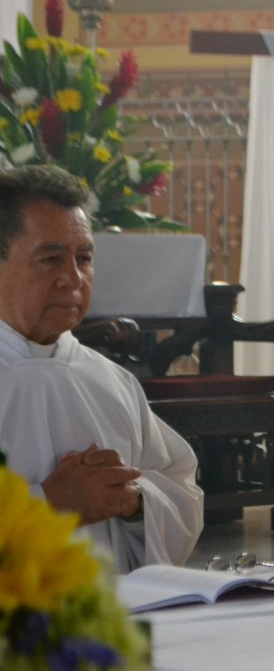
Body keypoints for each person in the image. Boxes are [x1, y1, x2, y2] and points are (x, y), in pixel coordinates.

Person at [0, 165, 203, 573]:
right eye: (51, 259)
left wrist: (134, 501)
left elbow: (180, 488)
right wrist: (49, 502)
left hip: (110, 620)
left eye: (85, 258)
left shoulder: (110, 380)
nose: (73, 279)